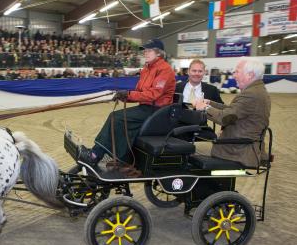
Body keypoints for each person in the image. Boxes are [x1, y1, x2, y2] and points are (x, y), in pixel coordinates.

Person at [79, 38, 176, 167]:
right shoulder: (147, 69)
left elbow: (154, 94)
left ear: (159, 53)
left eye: (149, 51)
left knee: (116, 118)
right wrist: (124, 96)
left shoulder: (165, 70)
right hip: (146, 107)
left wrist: (128, 94)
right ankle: (121, 157)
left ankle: (95, 154)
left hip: (157, 111)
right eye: (145, 51)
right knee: (118, 117)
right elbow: (140, 92)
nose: (145, 53)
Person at [194, 58, 271, 168]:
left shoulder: (251, 94)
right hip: (242, 146)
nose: (234, 75)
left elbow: (225, 118)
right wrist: (210, 103)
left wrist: (205, 108)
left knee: (191, 150)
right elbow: (233, 110)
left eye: (237, 72)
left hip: (237, 150)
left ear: (250, 75)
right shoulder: (257, 91)